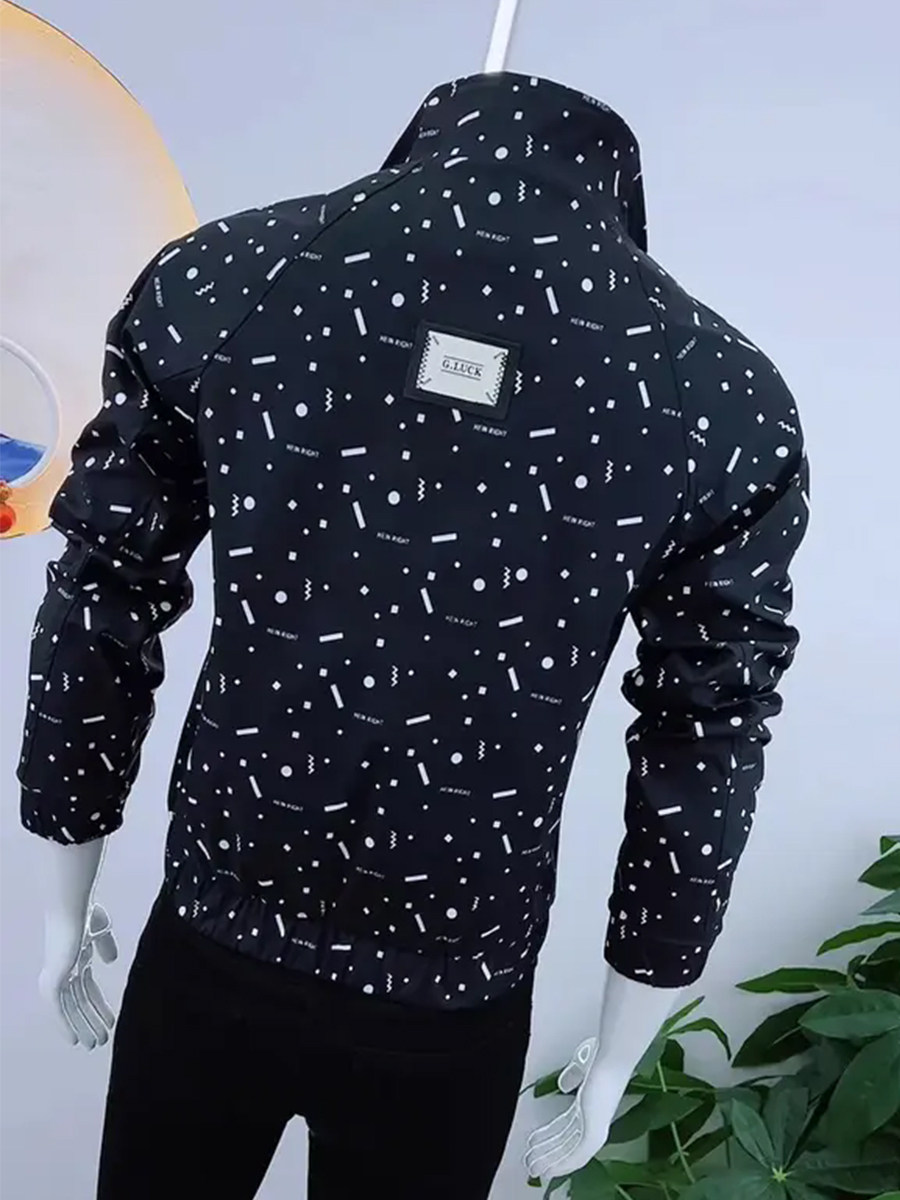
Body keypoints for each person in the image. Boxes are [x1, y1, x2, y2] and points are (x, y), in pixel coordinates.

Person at [17, 70, 809, 1200]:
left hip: (216, 932)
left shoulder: (231, 277)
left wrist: (67, 879)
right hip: (453, 995)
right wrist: (621, 1047)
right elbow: (707, 735)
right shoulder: (719, 399)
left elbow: (103, 586)